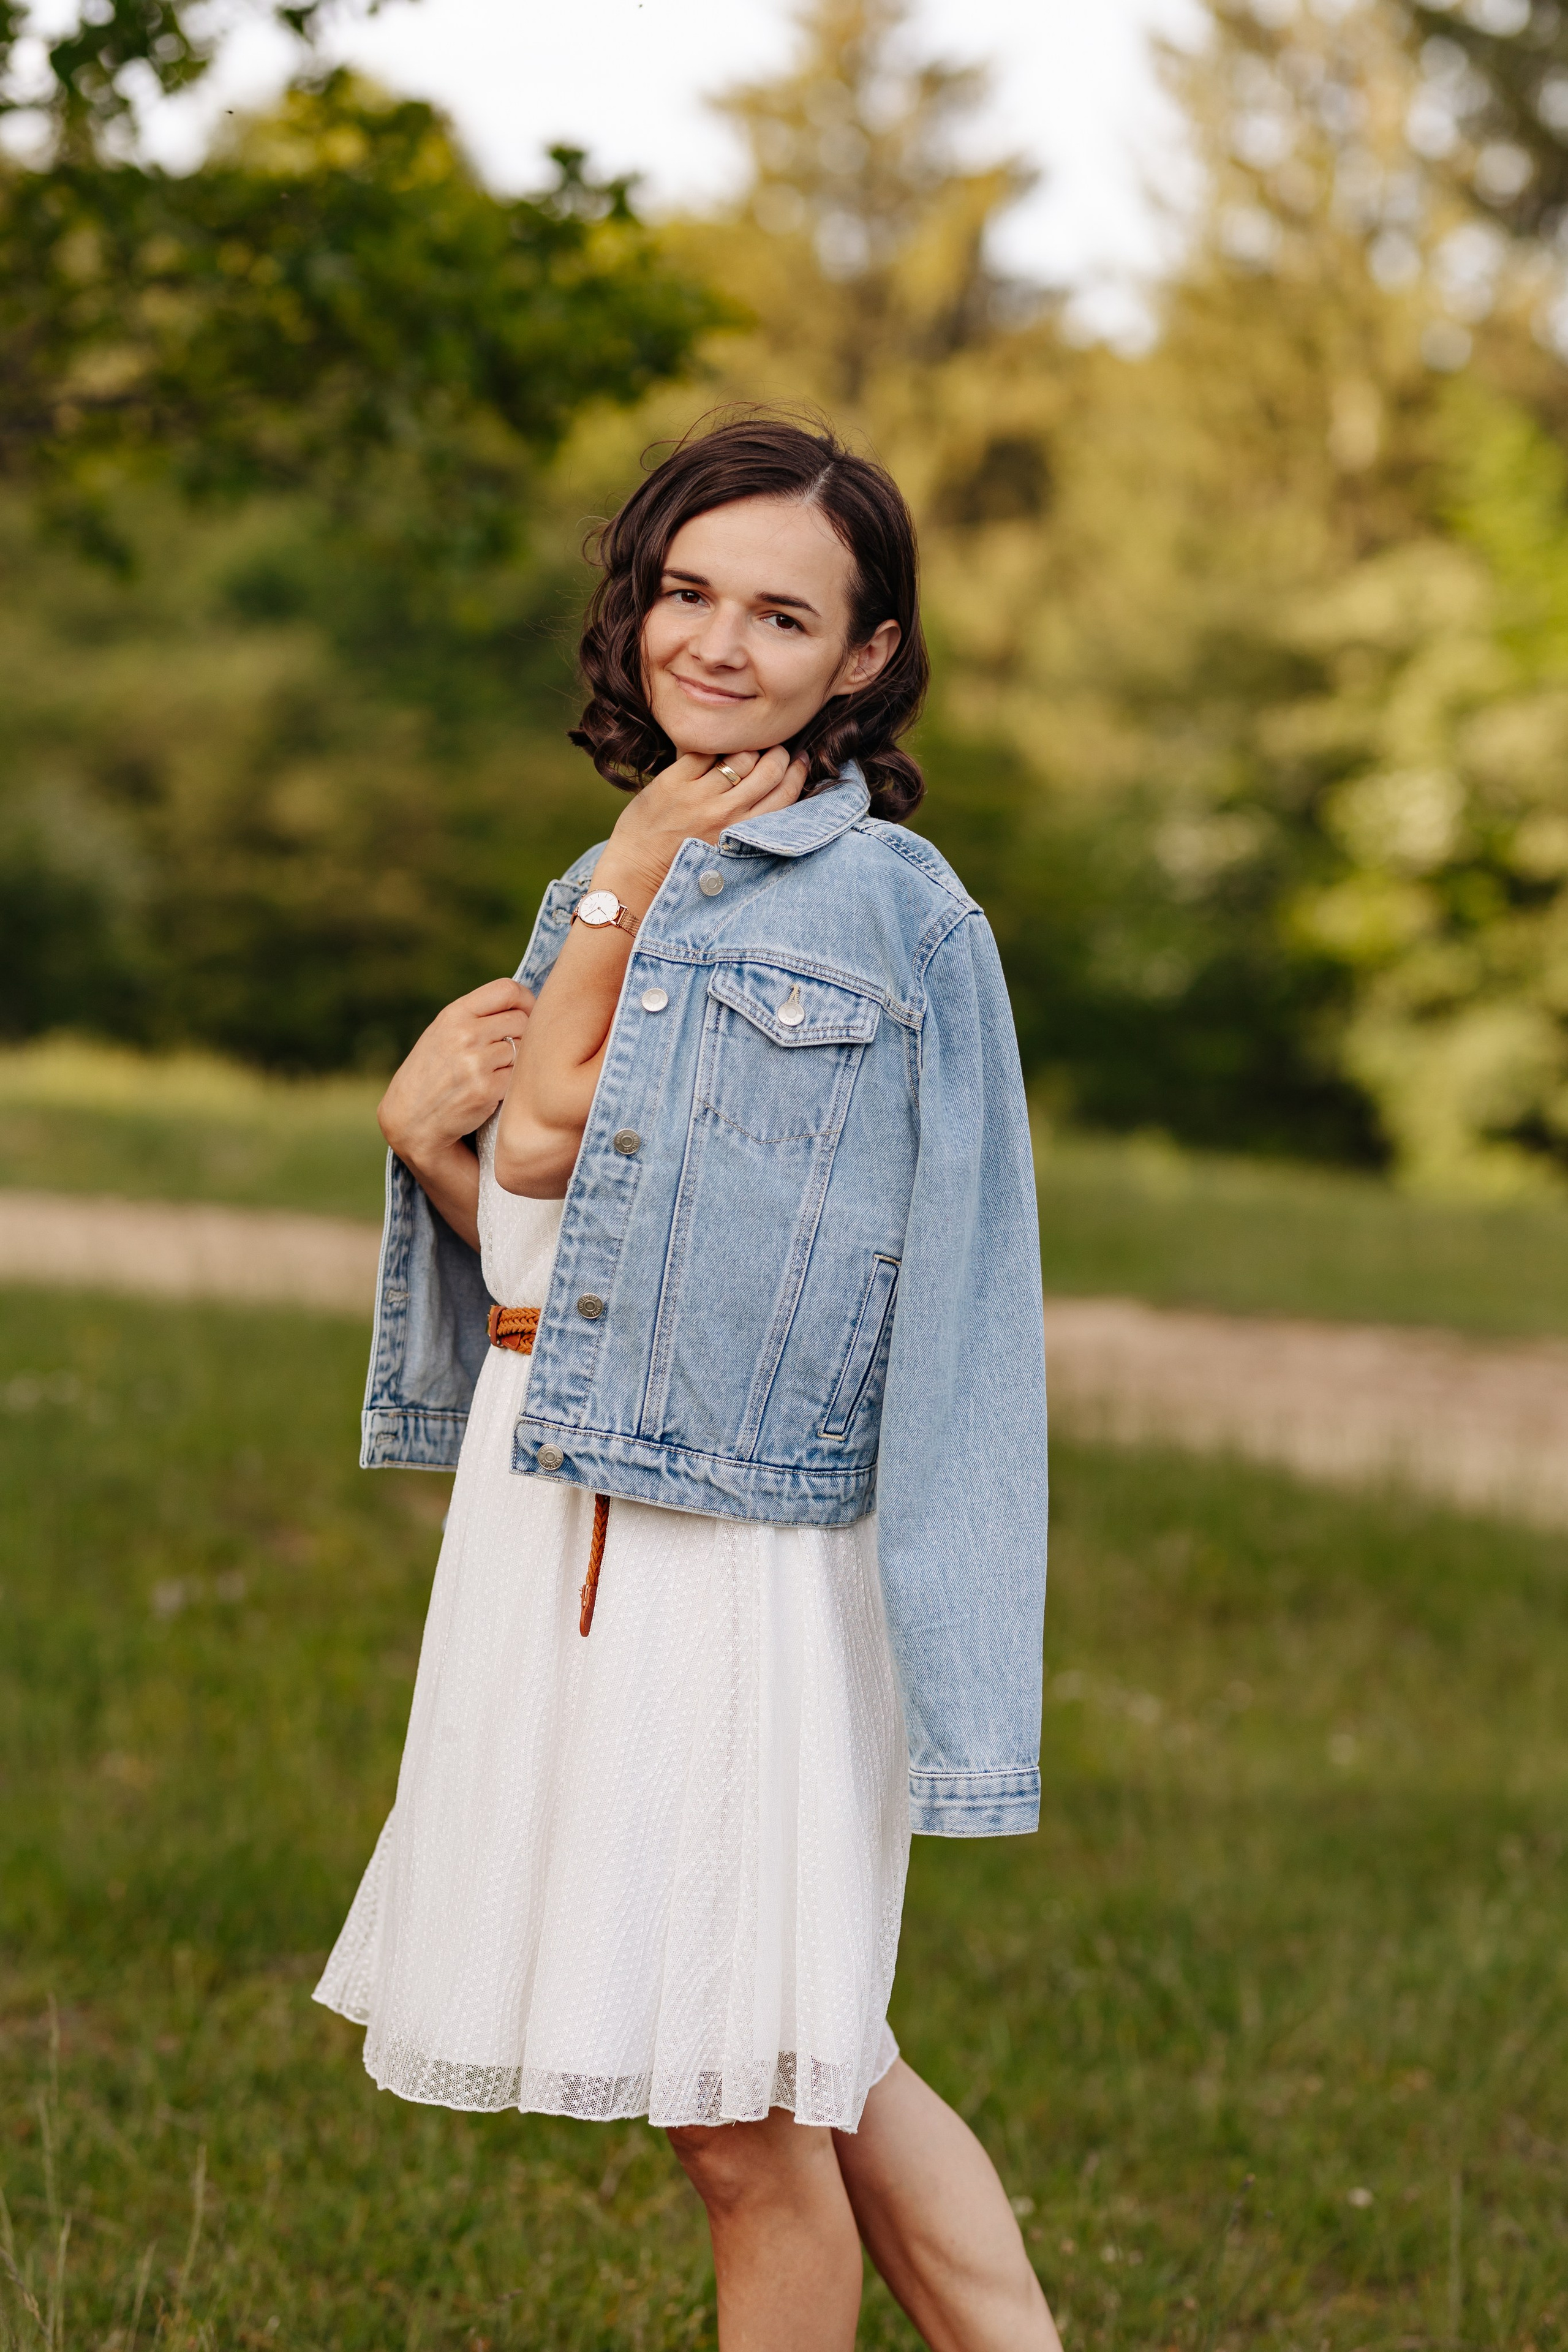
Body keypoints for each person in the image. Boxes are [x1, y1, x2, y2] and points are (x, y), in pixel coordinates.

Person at [316, 415, 1057, 2352]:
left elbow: (969, 1300)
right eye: (688, 592)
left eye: (783, 613)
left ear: (866, 655)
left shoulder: (897, 916)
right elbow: (569, 1238)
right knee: (821, 2056)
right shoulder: (607, 866)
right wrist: (427, 1155)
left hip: (735, 1559)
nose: (719, 645)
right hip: (550, 1505)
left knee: (744, 2115)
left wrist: (967, 1663)